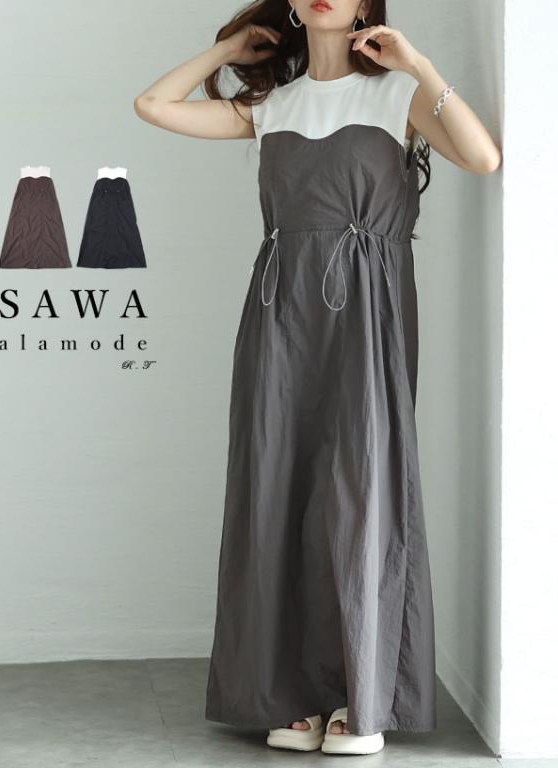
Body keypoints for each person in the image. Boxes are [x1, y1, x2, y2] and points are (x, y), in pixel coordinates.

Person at [134, 0, 501, 756]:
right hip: (280, 316)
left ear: (367, 5)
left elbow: (482, 157)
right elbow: (153, 106)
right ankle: (289, 694)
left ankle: (360, 698)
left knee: (360, 488)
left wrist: (419, 64)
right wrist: (228, 50)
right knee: (277, 488)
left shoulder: (397, 94)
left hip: (368, 314)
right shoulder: (275, 105)